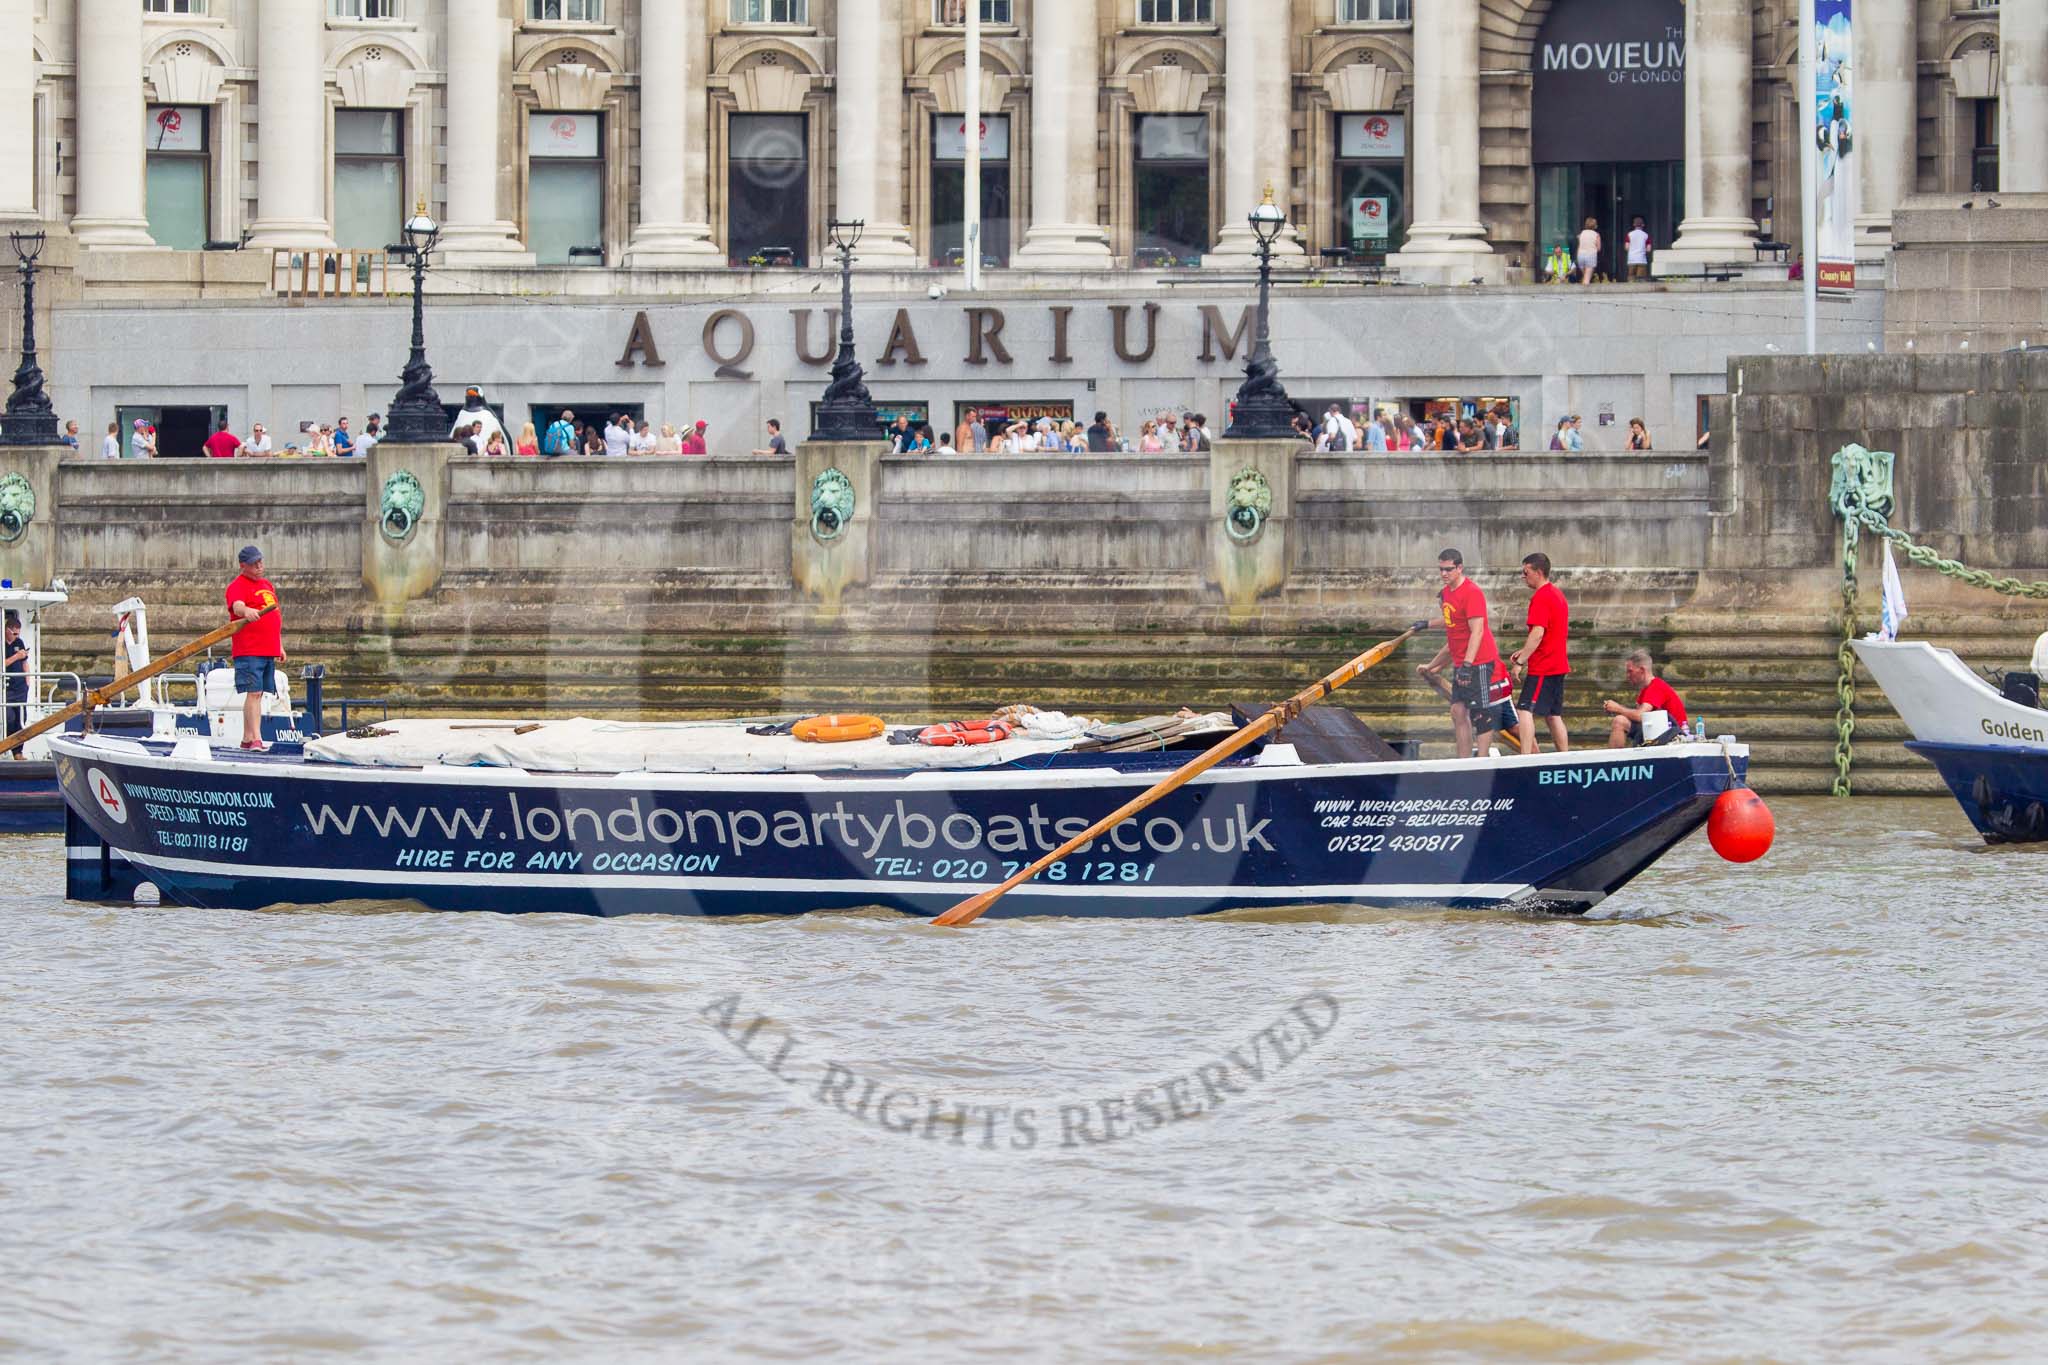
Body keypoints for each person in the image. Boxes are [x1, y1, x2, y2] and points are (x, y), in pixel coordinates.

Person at [1419, 548, 1508, 760]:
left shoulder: (1472, 593)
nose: (1443, 574)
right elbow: (1453, 625)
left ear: (1460, 568)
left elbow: (1477, 631)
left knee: (1481, 714)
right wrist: (1426, 625)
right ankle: (1464, 761)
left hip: (1479, 661)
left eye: (1448, 569)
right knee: (1458, 712)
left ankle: (1482, 761)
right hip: (1462, 662)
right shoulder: (1447, 593)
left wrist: (1467, 666)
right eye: (1441, 569)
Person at [1507, 552, 1571, 754]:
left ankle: (1526, 759)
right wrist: (1524, 651)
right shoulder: (1557, 594)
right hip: (1558, 664)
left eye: (1526, 572)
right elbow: (1549, 633)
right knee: (1553, 715)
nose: (1523, 576)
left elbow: (1538, 632)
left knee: (1524, 710)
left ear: (1538, 572)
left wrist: (1520, 662)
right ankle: (1565, 757)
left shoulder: (1541, 597)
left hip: (1544, 665)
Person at [224, 545, 284, 753]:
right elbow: (237, 606)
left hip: (268, 648)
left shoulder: (267, 585)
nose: (259, 566)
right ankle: (257, 738)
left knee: (259, 693)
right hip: (249, 648)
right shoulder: (237, 585)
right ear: (243, 566)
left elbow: (275, 617)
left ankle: (248, 737)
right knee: (254, 692)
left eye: (261, 562)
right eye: (254, 564)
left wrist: (280, 646)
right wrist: (247, 610)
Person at [1604, 648, 1688, 748]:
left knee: (1619, 721)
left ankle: (1614, 761)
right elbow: (1637, 719)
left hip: (1673, 736)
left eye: (1630, 671)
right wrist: (1616, 710)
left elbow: (1640, 716)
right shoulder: (1645, 691)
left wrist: (1617, 708)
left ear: (1642, 670)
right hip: (1658, 731)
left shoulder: (1656, 687)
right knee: (1621, 720)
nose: (1627, 676)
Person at [2, 613, 27, 756]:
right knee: (9, 718)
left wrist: (28, 680)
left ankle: (18, 752)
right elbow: (2, 665)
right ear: (7, 630)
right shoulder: (1, 644)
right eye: (15, 632)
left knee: (21, 720)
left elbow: (24, 662)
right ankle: (6, 747)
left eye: (19, 632)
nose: (17, 635)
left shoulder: (20, 642)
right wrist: (16, 656)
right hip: (6, 687)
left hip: (20, 687)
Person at [1576, 216, 1601, 286]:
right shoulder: (1596, 235)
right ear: (1595, 226)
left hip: (1580, 255)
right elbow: (1599, 248)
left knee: (1585, 276)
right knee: (1587, 279)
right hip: (1590, 255)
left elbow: (1579, 244)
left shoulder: (1581, 233)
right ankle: (1584, 294)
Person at [1626, 215, 1652, 282]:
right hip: (1641, 259)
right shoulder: (1646, 235)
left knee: (1631, 278)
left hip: (1631, 259)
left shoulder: (1629, 234)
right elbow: (1649, 249)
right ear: (1643, 225)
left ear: (1634, 224)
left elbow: (1627, 247)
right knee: (1641, 280)